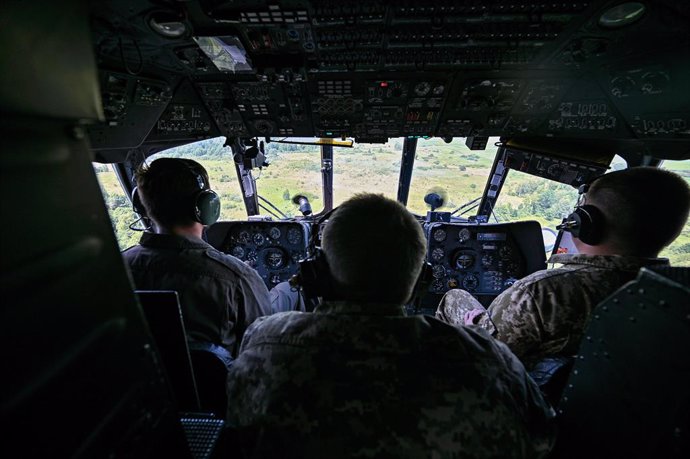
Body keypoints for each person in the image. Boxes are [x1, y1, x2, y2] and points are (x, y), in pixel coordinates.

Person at [226, 194, 555, 459]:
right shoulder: (490, 360)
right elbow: (541, 442)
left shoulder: (263, 345)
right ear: (423, 281)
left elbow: (238, 431)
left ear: (316, 273)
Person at [436, 167, 690, 370]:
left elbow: (486, 361)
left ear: (585, 223)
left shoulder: (544, 292)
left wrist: (473, 332)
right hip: (604, 417)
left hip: (530, 412)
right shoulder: (676, 297)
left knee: (454, 297)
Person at [123, 158, 271, 357]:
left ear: (141, 206)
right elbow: (265, 351)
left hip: (141, 387)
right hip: (218, 388)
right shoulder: (238, 280)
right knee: (287, 291)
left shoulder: (114, 269)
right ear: (206, 206)